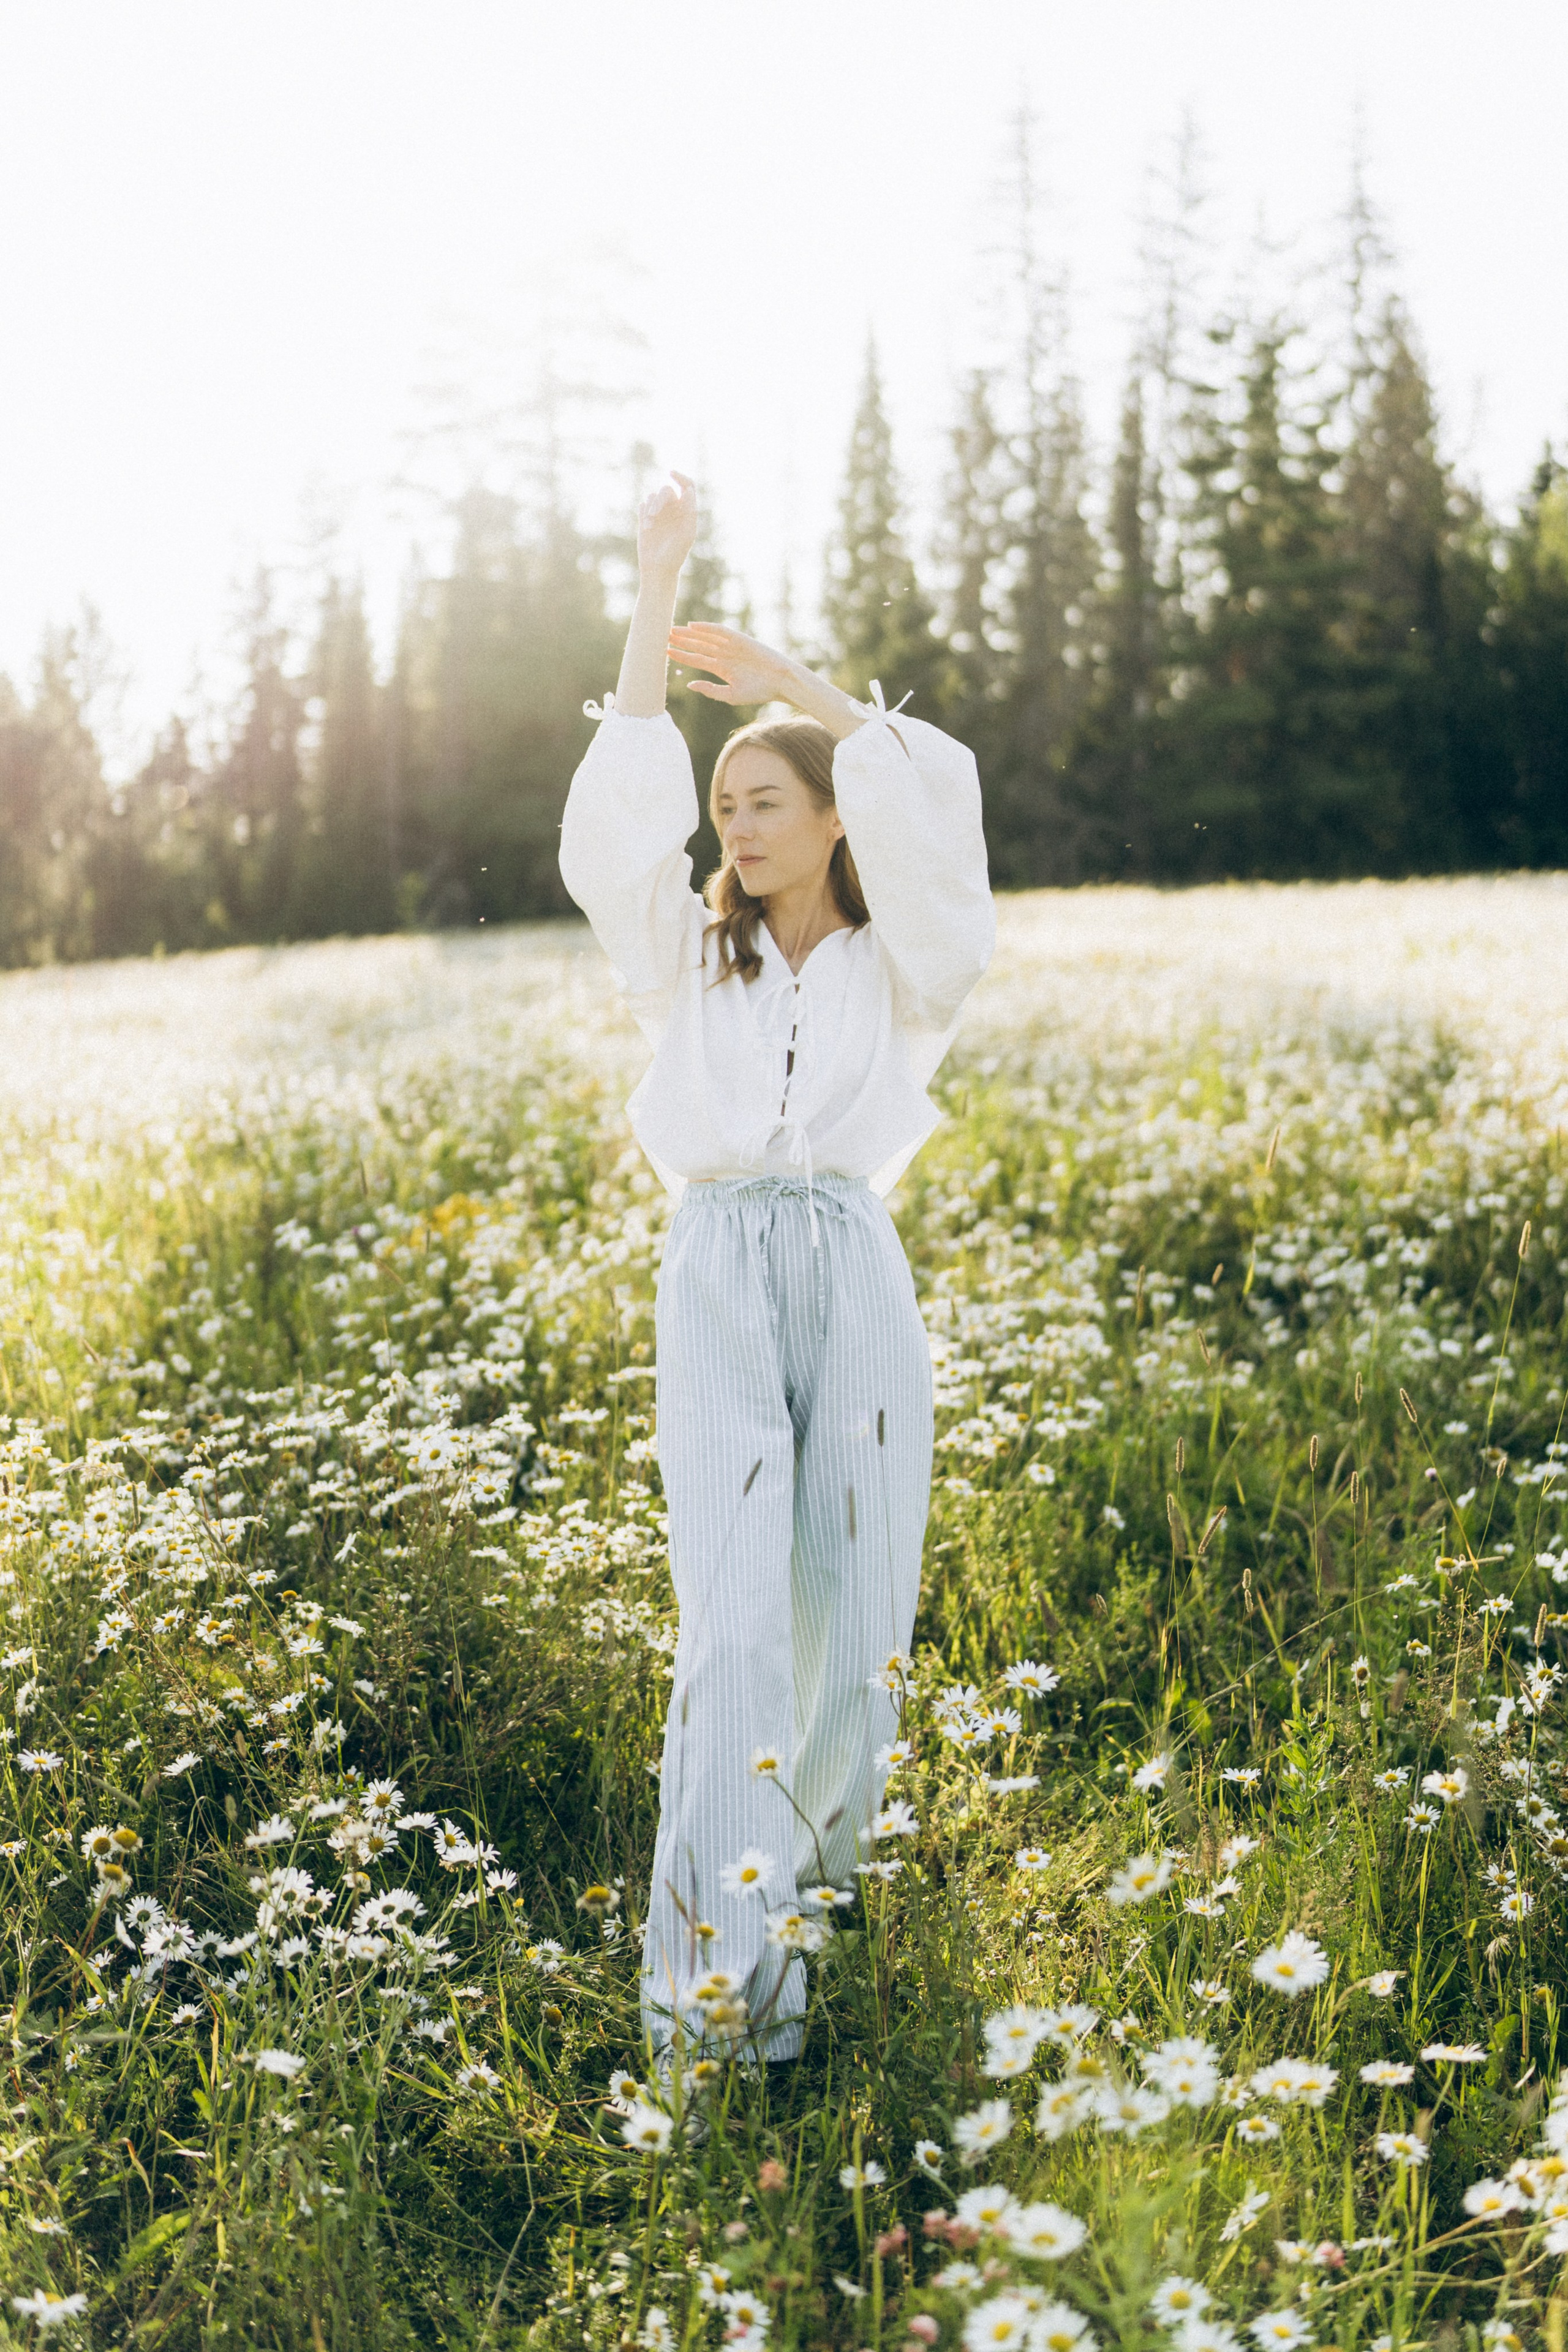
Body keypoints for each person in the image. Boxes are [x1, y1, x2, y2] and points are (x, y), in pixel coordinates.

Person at [557, 471, 995, 2090]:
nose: (732, 821)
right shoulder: (686, 963)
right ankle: (713, 2013)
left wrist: (795, 691)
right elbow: (618, 835)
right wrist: (649, 603)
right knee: (733, 1617)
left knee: (856, 1606)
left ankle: (803, 1918)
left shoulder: (907, 969)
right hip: (722, 1272)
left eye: (762, 799)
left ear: (828, 822)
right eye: (722, 801)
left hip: (858, 1269)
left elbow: (932, 813)